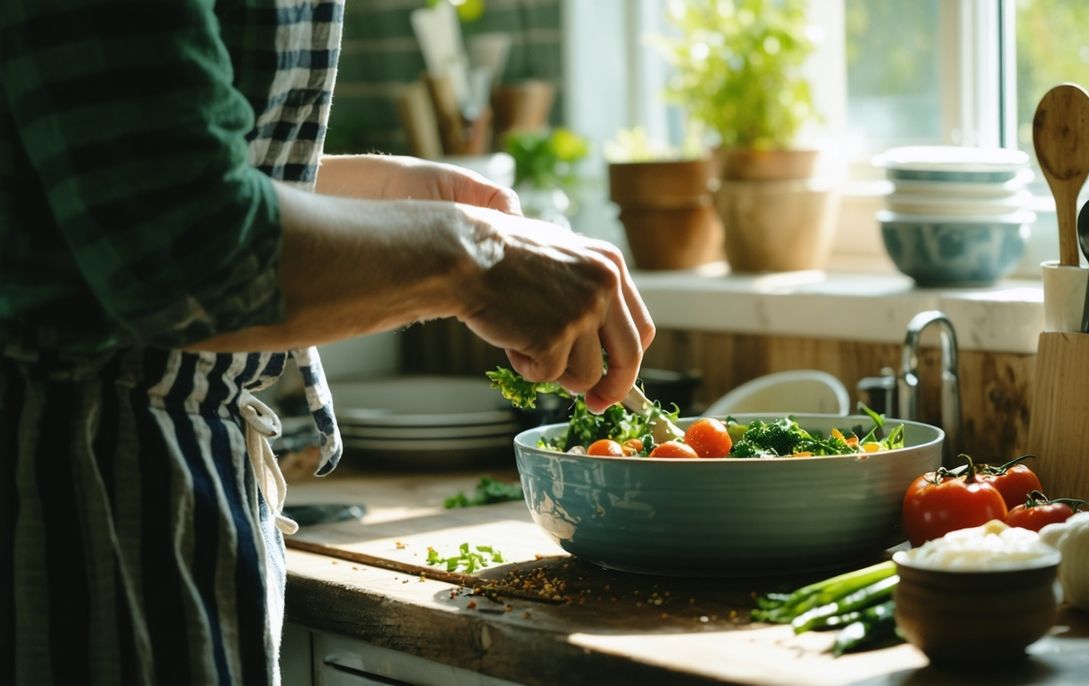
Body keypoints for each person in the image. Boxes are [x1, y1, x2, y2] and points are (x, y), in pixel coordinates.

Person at [0, 1, 654, 684]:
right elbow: (176, 241)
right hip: (74, 498)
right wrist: (476, 257)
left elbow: (123, 175)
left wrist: (398, 204)